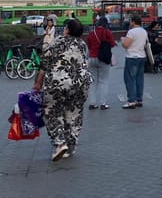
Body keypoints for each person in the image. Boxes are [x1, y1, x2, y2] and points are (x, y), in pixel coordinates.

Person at [33, 18, 92, 161]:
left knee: (52, 111)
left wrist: (38, 84)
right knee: (74, 113)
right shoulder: (83, 44)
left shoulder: (58, 42)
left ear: (67, 29)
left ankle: (60, 144)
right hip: (80, 83)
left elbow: (44, 64)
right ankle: (70, 146)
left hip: (57, 83)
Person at [86, 22, 116, 110]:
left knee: (93, 81)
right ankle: (103, 104)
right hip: (103, 59)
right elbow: (112, 44)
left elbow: (89, 45)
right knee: (104, 81)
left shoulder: (92, 33)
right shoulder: (107, 32)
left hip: (92, 58)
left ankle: (92, 103)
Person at [121, 15, 147, 109]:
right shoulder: (144, 31)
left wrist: (123, 40)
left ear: (133, 22)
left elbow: (126, 45)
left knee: (130, 79)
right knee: (139, 79)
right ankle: (139, 99)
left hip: (132, 57)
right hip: (141, 56)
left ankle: (131, 101)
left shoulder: (131, 32)